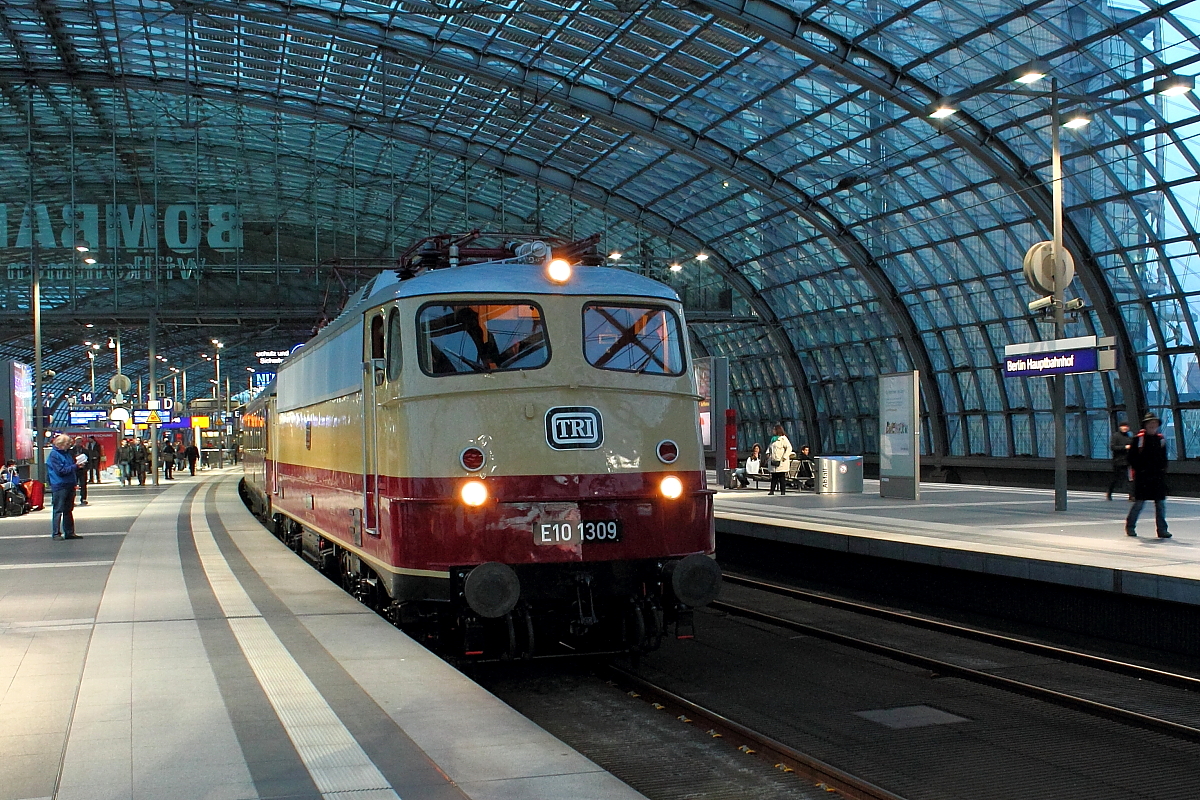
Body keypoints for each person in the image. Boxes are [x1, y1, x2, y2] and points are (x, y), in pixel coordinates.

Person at [1126, 412, 1171, 539]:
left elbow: (1164, 457)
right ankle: (1130, 526)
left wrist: (1162, 470)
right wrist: (1140, 469)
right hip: (1143, 477)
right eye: (1150, 423)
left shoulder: (1160, 439)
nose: (1153, 425)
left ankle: (1162, 530)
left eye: (1155, 423)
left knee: (1160, 504)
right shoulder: (1138, 439)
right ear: (1145, 425)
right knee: (1139, 503)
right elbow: (1131, 457)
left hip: (1157, 477)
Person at [47, 434, 82, 539]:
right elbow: (60, 471)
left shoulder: (67, 454)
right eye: (67, 444)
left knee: (68, 509)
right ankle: (56, 533)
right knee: (58, 509)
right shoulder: (54, 455)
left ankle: (69, 532)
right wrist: (75, 466)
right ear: (61, 444)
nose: (69, 446)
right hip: (60, 485)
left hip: (69, 484)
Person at [1107, 421, 1133, 501]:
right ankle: (1109, 492)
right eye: (1123, 426)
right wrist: (1125, 447)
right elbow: (1113, 447)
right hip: (1118, 461)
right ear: (1120, 427)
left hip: (1128, 461)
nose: (1125, 428)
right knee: (1116, 478)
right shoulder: (1116, 436)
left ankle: (1131, 495)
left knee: (1129, 478)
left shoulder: (1129, 436)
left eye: (1126, 426)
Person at [767, 424, 794, 496]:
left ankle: (783, 491)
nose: (772, 431)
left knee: (781, 477)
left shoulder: (783, 439)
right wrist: (768, 454)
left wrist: (784, 457)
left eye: (774, 429)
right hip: (773, 460)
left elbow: (789, 448)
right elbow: (769, 448)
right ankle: (772, 491)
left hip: (781, 461)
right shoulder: (773, 439)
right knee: (774, 476)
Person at [71, 437, 90, 506]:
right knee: (73, 485)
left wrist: (86, 467)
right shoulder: (71, 451)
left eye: (79, 442)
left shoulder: (85, 451)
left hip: (82, 470)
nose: (78, 443)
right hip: (74, 470)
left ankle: (83, 498)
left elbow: (89, 460)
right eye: (77, 442)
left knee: (83, 484)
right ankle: (72, 499)